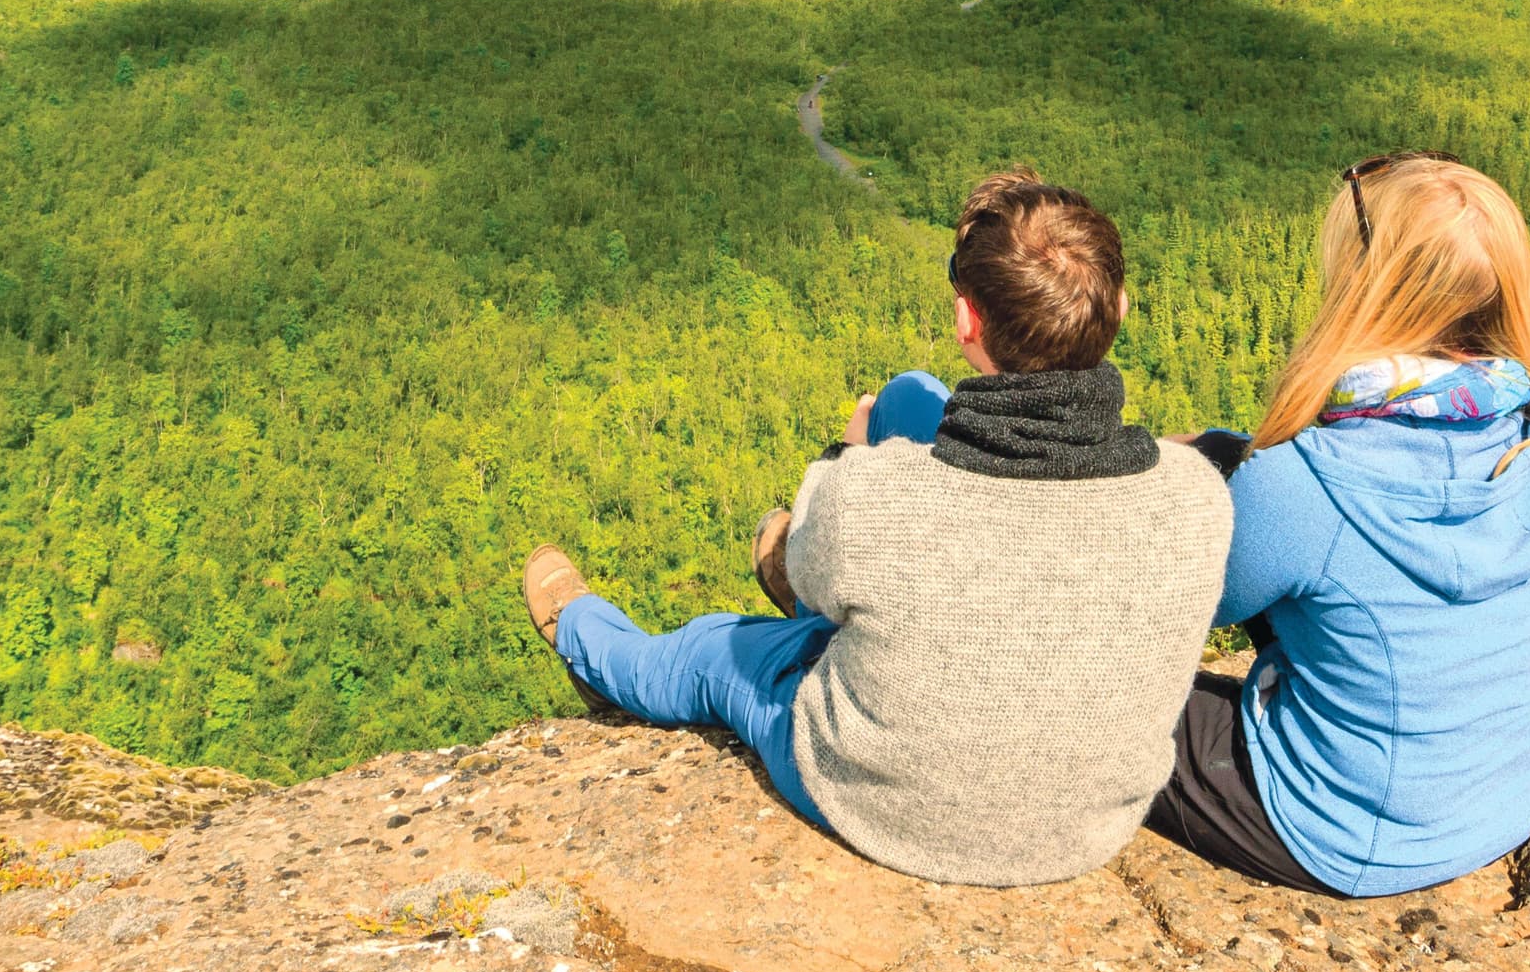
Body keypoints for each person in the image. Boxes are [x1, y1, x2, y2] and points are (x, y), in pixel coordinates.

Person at [520, 170, 1233, 888]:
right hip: (1089, 828)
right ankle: (817, 583)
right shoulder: (1198, 496)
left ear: (967, 322)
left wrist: (849, 458)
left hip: (889, 806)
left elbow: (856, 534)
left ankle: (587, 637)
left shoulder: (877, 498)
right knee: (911, 398)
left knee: (716, 650)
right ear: (1120, 306)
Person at [1139, 154, 1530, 897]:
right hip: (1506, 798)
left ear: (1363, 283)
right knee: (1255, 493)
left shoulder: (1306, 481)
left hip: (1345, 833)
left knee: (1091, 694)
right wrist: (1225, 458)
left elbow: (1190, 603)